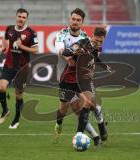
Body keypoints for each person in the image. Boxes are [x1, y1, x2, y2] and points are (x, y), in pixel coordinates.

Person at [54, 8, 106, 146]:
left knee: (87, 105)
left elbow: (93, 54)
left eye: (78, 20)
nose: (75, 22)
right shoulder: (61, 35)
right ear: (70, 19)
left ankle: (96, 134)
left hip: (81, 78)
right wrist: (68, 58)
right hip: (65, 75)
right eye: (73, 19)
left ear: (82, 22)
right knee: (64, 110)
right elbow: (60, 50)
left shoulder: (86, 39)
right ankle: (59, 123)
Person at [60, 27, 111, 135]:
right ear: (92, 36)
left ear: (104, 40)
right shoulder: (81, 43)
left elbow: (94, 57)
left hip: (85, 79)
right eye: (96, 40)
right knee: (84, 107)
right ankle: (87, 135)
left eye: (100, 41)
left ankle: (100, 124)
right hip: (72, 79)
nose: (98, 43)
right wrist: (75, 51)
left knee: (91, 105)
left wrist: (104, 66)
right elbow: (65, 52)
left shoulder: (98, 48)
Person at [0, 8, 38, 129]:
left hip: (22, 68)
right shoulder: (9, 29)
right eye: (19, 16)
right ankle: (5, 110)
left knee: (18, 94)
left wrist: (22, 46)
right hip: (9, 65)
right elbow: (6, 39)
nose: (21, 19)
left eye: (24, 17)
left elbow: (36, 50)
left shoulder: (31, 32)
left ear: (26, 19)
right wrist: (4, 48)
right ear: (16, 17)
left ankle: (16, 119)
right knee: (1, 88)